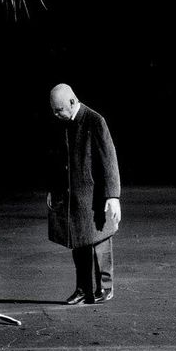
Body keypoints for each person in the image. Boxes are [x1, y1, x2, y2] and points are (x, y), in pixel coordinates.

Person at [47, 83, 121, 305]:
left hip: (94, 197)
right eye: (53, 110)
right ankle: (82, 289)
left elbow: (109, 159)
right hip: (74, 198)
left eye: (59, 109)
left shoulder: (95, 120)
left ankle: (105, 288)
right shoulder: (63, 123)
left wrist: (113, 196)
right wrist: (53, 189)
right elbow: (59, 161)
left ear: (72, 101)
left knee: (100, 243)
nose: (56, 114)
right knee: (78, 244)